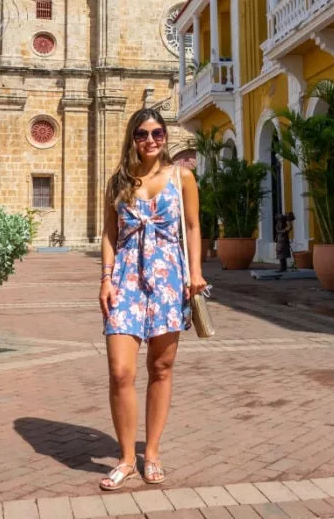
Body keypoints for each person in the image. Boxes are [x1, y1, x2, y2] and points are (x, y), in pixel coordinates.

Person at [98, 108, 206, 491]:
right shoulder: (118, 182)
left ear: (165, 135)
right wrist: (105, 279)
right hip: (126, 279)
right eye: (142, 134)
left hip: (168, 280)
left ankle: (153, 453)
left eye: (157, 133)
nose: (150, 140)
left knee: (161, 368)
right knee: (120, 372)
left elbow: (192, 227)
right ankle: (127, 458)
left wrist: (195, 272)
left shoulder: (183, 176)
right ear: (132, 138)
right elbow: (109, 234)